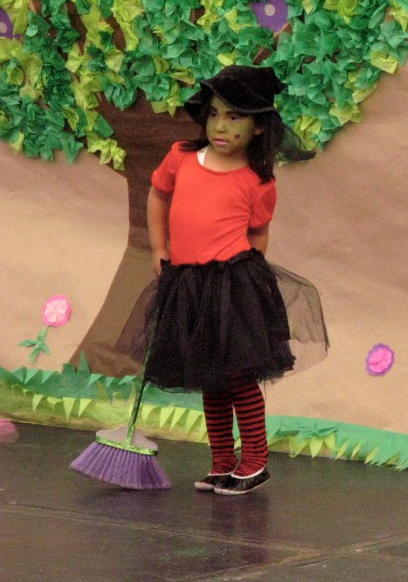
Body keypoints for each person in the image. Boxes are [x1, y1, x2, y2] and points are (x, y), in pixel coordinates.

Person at [137, 64, 327, 496]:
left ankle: (255, 461)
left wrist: (246, 272)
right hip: (187, 283)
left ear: (259, 128)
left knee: (240, 376)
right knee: (210, 378)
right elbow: (158, 194)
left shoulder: (256, 180)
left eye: (235, 117)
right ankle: (222, 460)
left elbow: (258, 231)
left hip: (232, 287)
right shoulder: (182, 157)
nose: (220, 126)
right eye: (215, 114)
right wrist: (158, 247)